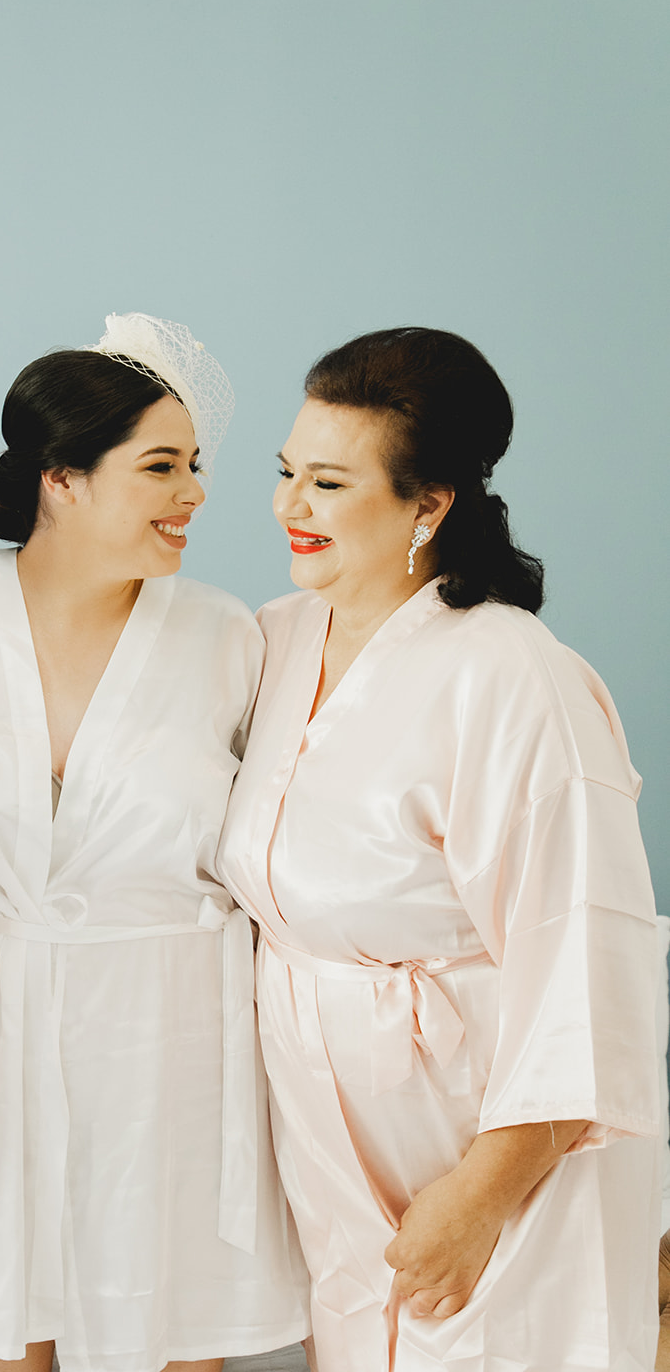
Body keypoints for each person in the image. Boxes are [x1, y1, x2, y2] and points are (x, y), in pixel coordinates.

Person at [217, 327, 662, 1372]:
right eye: (285, 471)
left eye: (328, 483)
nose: (287, 505)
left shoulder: (513, 678)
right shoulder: (275, 639)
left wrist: (479, 1197)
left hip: (484, 1153)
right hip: (330, 1144)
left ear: (428, 503)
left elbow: (585, 959)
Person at [0, 315, 310, 1372]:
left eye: (195, 466)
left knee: (162, 1329)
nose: (193, 492)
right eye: (160, 466)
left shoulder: (227, 634)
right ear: (61, 477)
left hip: (172, 1040)